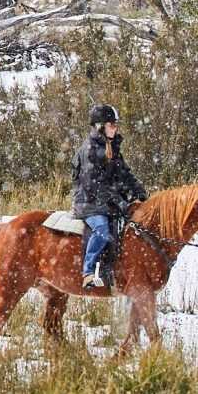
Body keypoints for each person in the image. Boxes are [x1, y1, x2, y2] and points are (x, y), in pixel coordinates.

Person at [73, 103, 145, 289]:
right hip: (89, 203)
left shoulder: (112, 147)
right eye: (111, 125)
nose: (115, 128)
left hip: (106, 202)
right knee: (102, 231)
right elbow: (94, 185)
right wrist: (120, 201)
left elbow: (124, 173)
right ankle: (88, 272)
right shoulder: (89, 150)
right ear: (100, 127)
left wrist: (139, 190)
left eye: (115, 125)